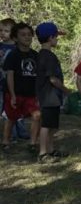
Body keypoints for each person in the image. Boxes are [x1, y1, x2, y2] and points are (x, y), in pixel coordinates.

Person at [1, 22, 40, 153]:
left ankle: (33, 143)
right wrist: (12, 95)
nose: (27, 37)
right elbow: (9, 76)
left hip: (31, 94)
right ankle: (6, 142)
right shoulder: (13, 55)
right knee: (11, 118)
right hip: (15, 93)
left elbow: (39, 75)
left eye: (29, 35)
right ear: (16, 38)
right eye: (23, 35)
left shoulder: (35, 55)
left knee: (37, 115)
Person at [35, 22, 70, 163]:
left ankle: (50, 150)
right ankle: (43, 153)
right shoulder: (48, 56)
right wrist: (66, 90)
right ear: (50, 38)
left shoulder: (42, 55)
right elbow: (53, 79)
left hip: (51, 96)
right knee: (46, 125)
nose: (57, 39)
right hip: (49, 96)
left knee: (52, 125)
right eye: (56, 37)